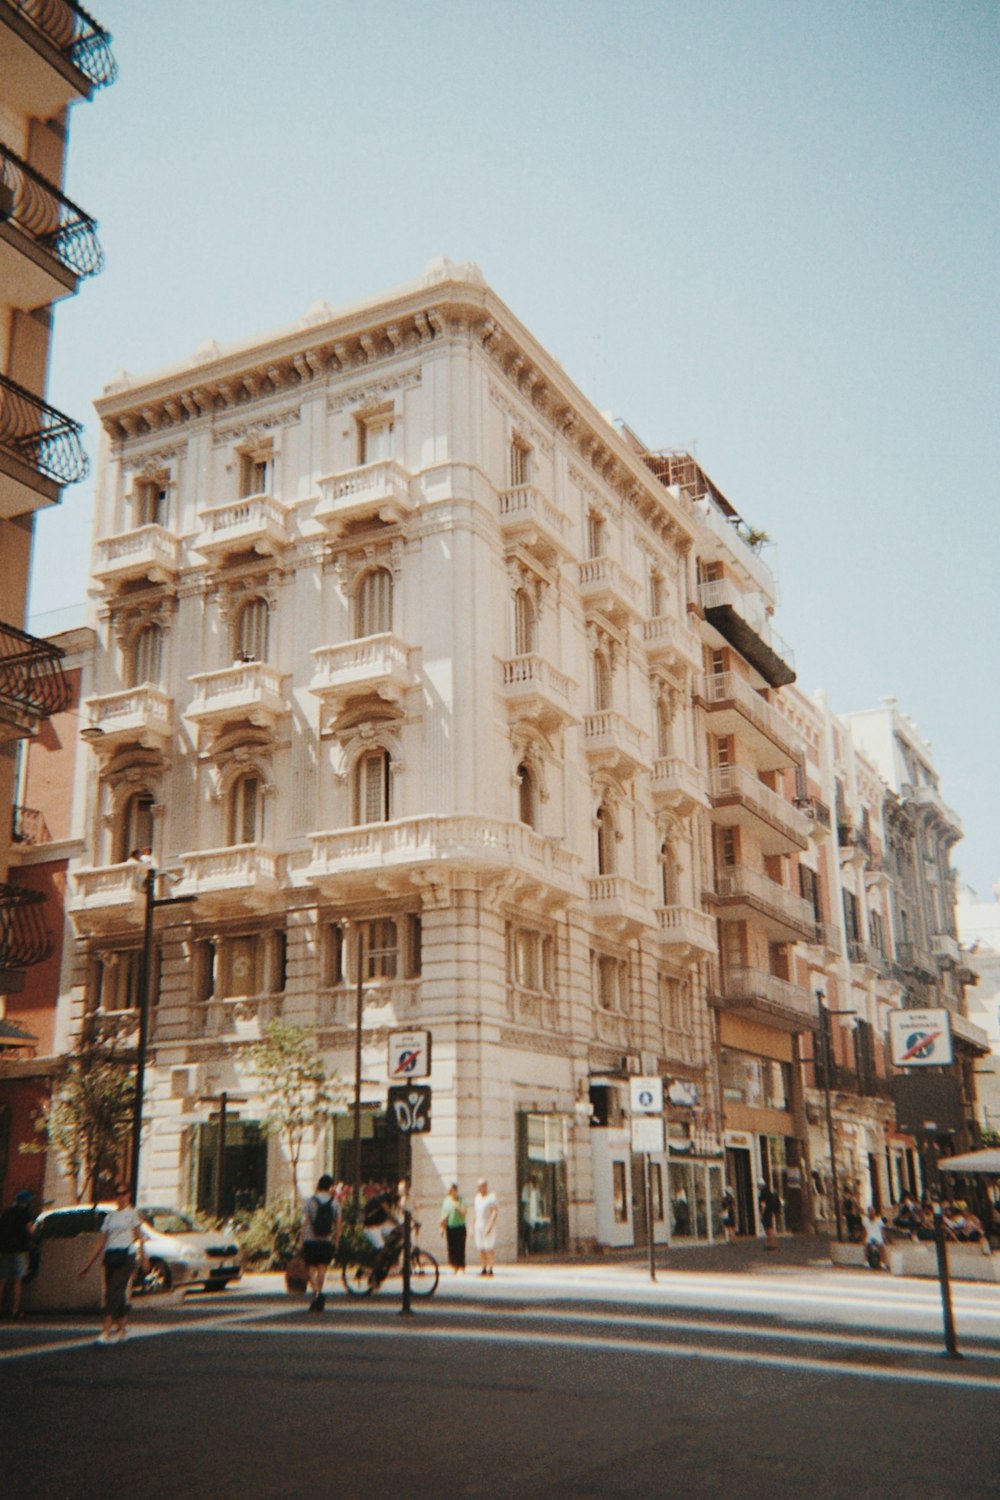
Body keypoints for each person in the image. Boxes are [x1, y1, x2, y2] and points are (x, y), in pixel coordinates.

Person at [78, 1182, 149, 1343]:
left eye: (124, 1193)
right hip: (110, 1256)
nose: (121, 1197)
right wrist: (87, 1265)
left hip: (126, 1255)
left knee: (114, 1291)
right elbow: (100, 1242)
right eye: (118, 1193)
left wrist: (144, 1257)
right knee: (113, 1291)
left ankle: (106, 1330)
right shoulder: (110, 1216)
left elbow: (140, 1237)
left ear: (129, 1195)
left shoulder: (132, 1214)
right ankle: (123, 1329)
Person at [300, 1173, 341, 1312]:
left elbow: (304, 1222)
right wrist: (336, 1240)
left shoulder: (310, 1201)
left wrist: (301, 1240)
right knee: (322, 1268)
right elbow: (338, 1224)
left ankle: (316, 1294)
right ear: (330, 1186)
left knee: (311, 1268)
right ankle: (319, 1293)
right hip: (326, 1240)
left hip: (311, 1239)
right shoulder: (335, 1202)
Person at [0, 1189, 36, 1318]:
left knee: (2, 1280)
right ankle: (15, 1310)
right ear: (26, 1203)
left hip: (4, 1249)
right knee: (17, 1281)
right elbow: (31, 1231)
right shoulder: (25, 1214)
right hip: (19, 1249)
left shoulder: (6, 1212)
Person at [473, 1177, 498, 1277]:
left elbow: (495, 1212)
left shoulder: (491, 1197)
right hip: (478, 1225)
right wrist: (472, 1226)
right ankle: (483, 1268)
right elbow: (475, 1213)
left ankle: (490, 1269)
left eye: (481, 1186)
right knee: (481, 1248)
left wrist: (490, 1226)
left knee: (489, 1248)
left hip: (487, 1224)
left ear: (485, 1186)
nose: (479, 1188)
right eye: (478, 1186)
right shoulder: (477, 1198)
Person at [440, 1183, 467, 1273]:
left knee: (460, 1247)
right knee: (451, 1247)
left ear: (457, 1190)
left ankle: (461, 1267)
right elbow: (443, 1214)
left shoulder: (461, 1200)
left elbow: (464, 1213)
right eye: (451, 1190)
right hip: (450, 1227)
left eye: (454, 1190)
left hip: (460, 1226)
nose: (453, 1192)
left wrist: (457, 1206)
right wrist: (441, 1228)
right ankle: (453, 1266)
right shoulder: (446, 1201)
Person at [863, 1205, 889, 1270]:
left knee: (881, 1246)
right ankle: (866, 1262)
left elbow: (883, 1231)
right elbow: (864, 1231)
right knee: (866, 1245)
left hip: (878, 1237)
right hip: (870, 1237)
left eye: (873, 1211)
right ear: (868, 1212)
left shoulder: (879, 1220)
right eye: (871, 1211)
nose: (872, 1212)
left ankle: (882, 1263)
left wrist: (885, 1239)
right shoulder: (865, 1220)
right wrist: (863, 1239)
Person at [757, 1179, 779, 1249]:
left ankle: (771, 1244)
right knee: (770, 1228)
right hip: (770, 1212)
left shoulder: (763, 1194)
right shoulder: (769, 1192)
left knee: (768, 1229)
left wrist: (761, 1214)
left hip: (766, 1213)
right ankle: (773, 1243)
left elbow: (763, 1205)